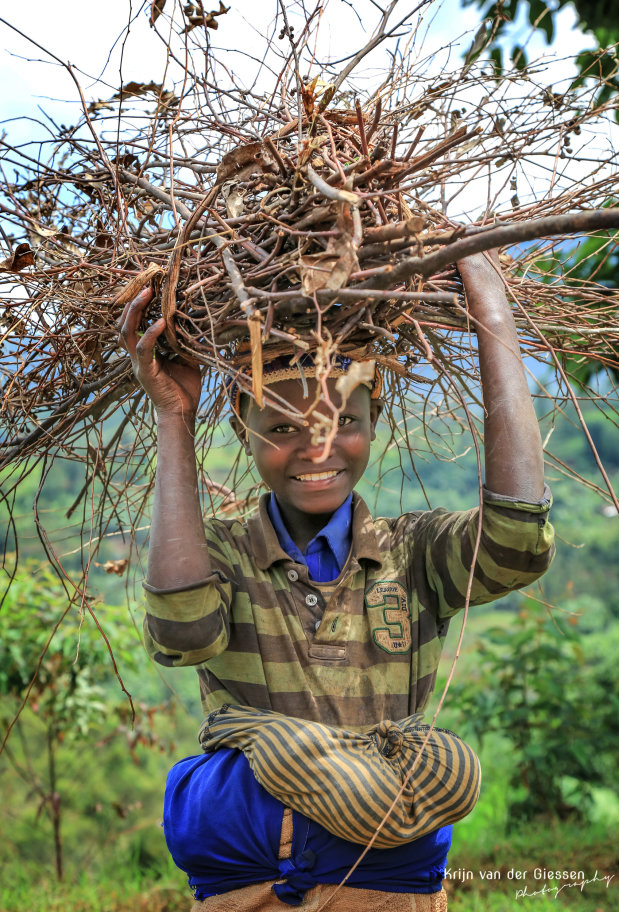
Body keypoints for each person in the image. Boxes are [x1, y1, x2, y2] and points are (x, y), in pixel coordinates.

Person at [119, 251, 555, 911]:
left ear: (374, 424)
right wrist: (174, 417)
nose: (316, 449)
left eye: (343, 422)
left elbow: (517, 546)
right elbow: (182, 632)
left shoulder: (413, 555)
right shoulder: (223, 556)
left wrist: (493, 319)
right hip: (254, 893)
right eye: (283, 428)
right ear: (243, 429)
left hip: (389, 891)